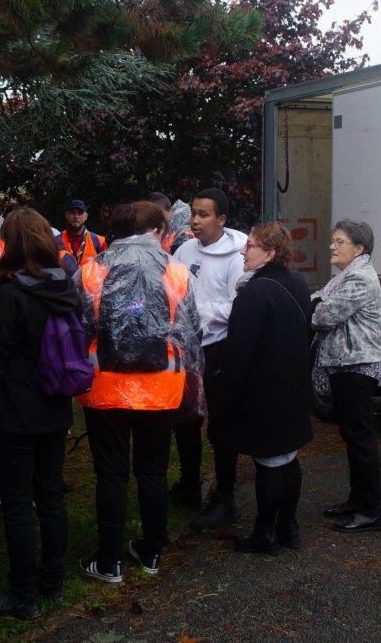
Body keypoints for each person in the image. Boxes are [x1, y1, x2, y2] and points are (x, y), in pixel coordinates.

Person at [0, 207, 83, 620]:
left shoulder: (10, 294)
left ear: (11, 244)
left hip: (14, 414)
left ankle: (24, 594)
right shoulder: (65, 288)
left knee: (17, 503)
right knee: (50, 495)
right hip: (54, 407)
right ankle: (52, 581)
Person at [77, 202, 202, 584]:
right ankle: (152, 550)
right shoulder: (176, 270)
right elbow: (191, 330)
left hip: (106, 387)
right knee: (153, 470)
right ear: (155, 230)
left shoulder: (91, 270)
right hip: (160, 389)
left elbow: (82, 327)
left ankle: (109, 561)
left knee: (111, 473)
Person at [211, 223, 314, 554]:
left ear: (270, 253)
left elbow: (238, 353)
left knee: (269, 462)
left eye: (251, 245)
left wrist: (225, 398)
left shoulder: (254, 293)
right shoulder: (296, 283)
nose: (244, 250)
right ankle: (289, 528)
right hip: (292, 389)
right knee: (288, 459)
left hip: (265, 393)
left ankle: (265, 533)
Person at [170, 187, 248, 525]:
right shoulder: (185, 250)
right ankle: (189, 484)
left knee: (221, 423)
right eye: (193, 213)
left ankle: (224, 496)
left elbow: (237, 307)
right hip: (187, 347)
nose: (195, 220)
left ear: (221, 219)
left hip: (219, 349)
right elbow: (173, 289)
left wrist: (199, 312)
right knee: (186, 418)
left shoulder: (237, 256)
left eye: (203, 215)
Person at [312, 219, 381, 533]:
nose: (332, 246)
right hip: (346, 366)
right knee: (352, 437)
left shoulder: (359, 278)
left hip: (356, 367)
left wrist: (318, 305)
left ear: (359, 248)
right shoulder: (345, 276)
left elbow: (325, 316)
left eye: (339, 241)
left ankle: (369, 511)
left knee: (360, 439)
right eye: (333, 240)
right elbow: (317, 298)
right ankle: (356, 501)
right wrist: (318, 302)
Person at [57, 199, 106, 269]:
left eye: (80, 213)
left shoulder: (99, 242)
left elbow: (106, 269)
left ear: (86, 216)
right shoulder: (57, 240)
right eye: (72, 213)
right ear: (66, 215)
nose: (76, 216)